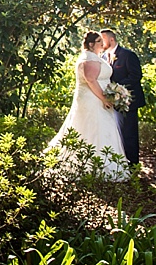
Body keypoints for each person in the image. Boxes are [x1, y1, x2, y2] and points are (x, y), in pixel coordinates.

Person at [45, 31, 129, 181]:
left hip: (97, 99)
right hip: (92, 100)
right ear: (91, 44)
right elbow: (91, 80)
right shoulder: (88, 58)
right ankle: (91, 167)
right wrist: (104, 98)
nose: (102, 43)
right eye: (98, 41)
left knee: (100, 129)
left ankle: (102, 165)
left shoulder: (94, 57)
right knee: (91, 129)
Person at [102, 28, 147, 167]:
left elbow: (136, 76)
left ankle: (133, 165)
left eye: (102, 39)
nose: (100, 43)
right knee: (116, 133)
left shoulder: (128, 55)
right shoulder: (103, 57)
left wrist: (117, 88)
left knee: (129, 134)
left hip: (128, 101)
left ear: (111, 39)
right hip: (111, 101)